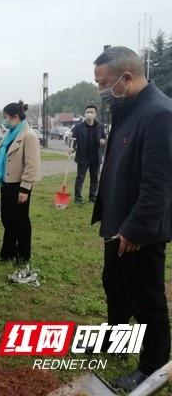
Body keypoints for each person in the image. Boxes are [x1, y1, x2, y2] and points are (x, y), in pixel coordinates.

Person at [91, 46, 172, 391]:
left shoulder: (159, 113)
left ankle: (152, 367)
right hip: (117, 221)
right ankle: (116, 339)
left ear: (126, 77)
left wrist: (136, 230)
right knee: (115, 284)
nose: (101, 89)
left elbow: (158, 184)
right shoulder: (126, 107)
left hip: (140, 230)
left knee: (146, 299)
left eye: (104, 82)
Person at [0, 101, 40, 265]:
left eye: (6, 117)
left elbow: (31, 165)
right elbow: (3, 160)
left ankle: (23, 254)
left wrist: (25, 189)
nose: (4, 121)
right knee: (8, 219)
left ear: (16, 117)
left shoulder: (29, 136)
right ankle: (8, 252)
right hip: (6, 183)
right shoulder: (9, 134)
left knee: (21, 220)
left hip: (20, 185)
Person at [70, 105, 106, 204]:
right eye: (88, 112)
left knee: (94, 179)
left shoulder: (100, 126)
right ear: (85, 113)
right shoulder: (78, 127)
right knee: (80, 178)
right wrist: (71, 149)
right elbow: (73, 141)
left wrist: (103, 141)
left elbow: (104, 138)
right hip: (83, 157)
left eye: (91, 112)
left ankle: (92, 197)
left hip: (95, 157)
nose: (89, 114)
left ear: (95, 114)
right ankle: (78, 198)